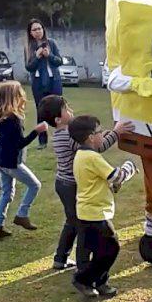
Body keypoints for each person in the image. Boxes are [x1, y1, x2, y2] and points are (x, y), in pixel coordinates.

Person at [37, 94, 134, 270]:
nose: (70, 109)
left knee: (72, 222)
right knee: (80, 225)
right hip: (71, 186)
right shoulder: (68, 135)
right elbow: (98, 146)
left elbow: (93, 142)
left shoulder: (62, 133)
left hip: (64, 183)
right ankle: (82, 263)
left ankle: (61, 258)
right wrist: (116, 133)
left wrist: (101, 134)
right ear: (58, 119)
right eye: (65, 109)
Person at [68, 115, 138, 298]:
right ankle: (83, 279)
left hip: (85, 211)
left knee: (98, 250)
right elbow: (117, 177)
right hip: (96, 214)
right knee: (111, 248)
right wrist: (129, 167)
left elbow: (102, 180)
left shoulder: (81, 155)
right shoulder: (92, 157)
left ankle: (101, 282)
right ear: (91, 137)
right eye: (100, 132)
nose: (103, 135)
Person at [0, 81, 48, 238]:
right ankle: (22, 215)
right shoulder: (13, 119)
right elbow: (19, 144)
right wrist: (37, 131)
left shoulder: (3, 117)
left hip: (1, 161)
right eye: (20, 93)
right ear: (14, 98)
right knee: (35, 185)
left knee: (7, 193)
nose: (23, 95)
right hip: (11, 163)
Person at [25, 18, 62, 149]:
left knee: (59, 110)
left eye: (39, 28)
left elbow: (59, 61)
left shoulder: (51, 43)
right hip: (39, 83)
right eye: (34, 29)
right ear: (30, 32)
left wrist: (49, 55)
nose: (37, 31)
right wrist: (37, 57)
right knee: (41, 112)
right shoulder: (29, 47)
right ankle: (42, 141)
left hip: (54, 81)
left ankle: (62, 138)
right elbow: (29, 67)